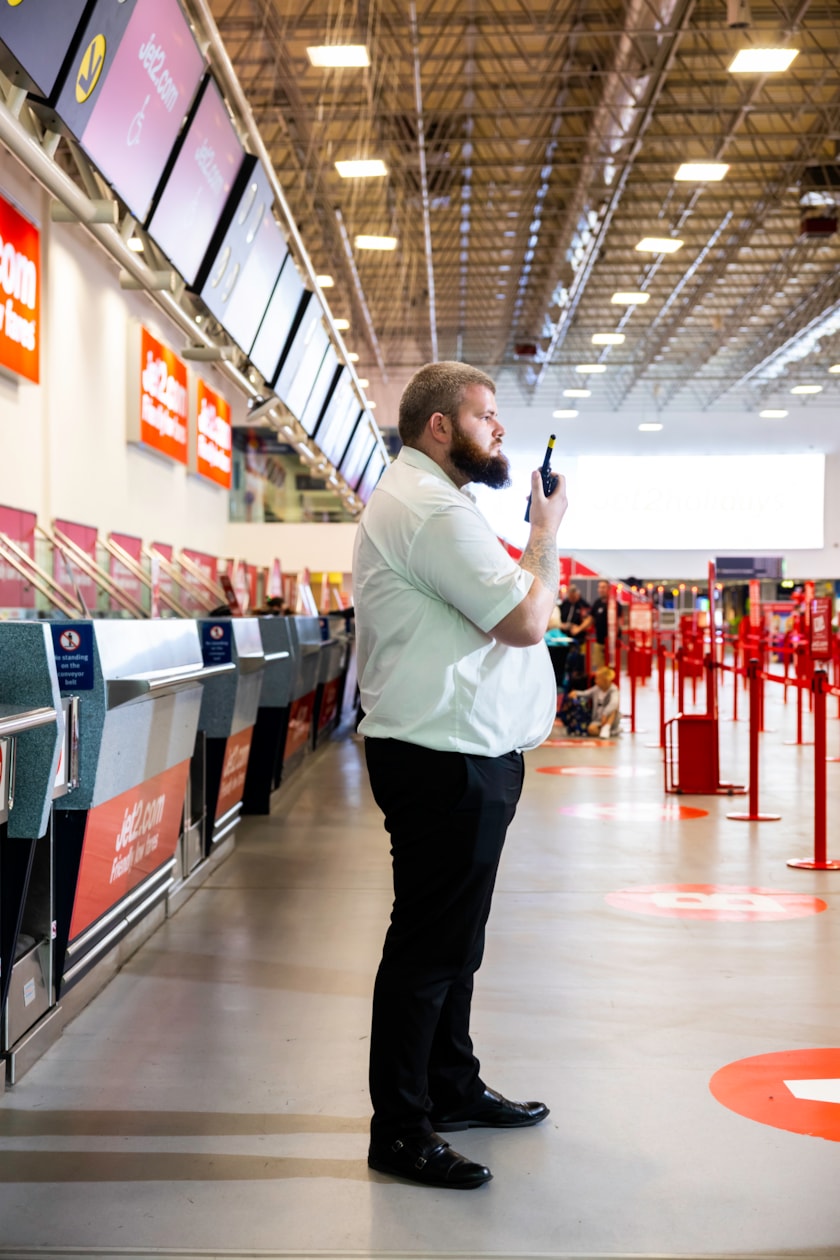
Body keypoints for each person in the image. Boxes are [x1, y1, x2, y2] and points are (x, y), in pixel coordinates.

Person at [353, 361, 568, 1190]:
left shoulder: (436, 503)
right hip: (442, 760)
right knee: (428, 950)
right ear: (438, 426)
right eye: (485, 415)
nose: (500, 429)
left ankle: (450, 1086)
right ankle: (401, 1129)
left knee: (455, 944)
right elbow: (523, 618)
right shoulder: (430, 507)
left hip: (464, 752)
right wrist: (544, 533)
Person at [561, 665, 621, 738]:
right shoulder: (596, 689)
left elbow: (614, 703)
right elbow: (586, 693)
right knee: (591, 730)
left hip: (610, 719)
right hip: (598, 719)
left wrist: (605, 714)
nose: (595, 681)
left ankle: (607, 727)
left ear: (604, 680)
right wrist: (575, 692)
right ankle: (609, 731)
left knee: (614, 708)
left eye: (598, 678)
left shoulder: (613, 690)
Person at [588, 579, 624, 671]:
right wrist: (579, 628)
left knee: (612, 669)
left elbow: (620, 622)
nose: (601, 589)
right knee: (600, 669)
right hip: (599, 641)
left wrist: (617, 637)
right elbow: (590, 619)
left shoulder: (615, 604)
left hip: (612, 643)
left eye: (603, 587)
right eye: (599, 587)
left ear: (609, 588)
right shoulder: (597, 603)